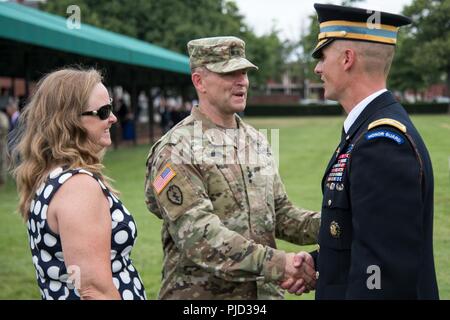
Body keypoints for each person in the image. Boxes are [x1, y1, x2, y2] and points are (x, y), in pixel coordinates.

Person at [144, 36, 321, 300]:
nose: (242, 81)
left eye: (244, 72)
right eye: (229, 73)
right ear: (199, 81)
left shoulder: (256, 140)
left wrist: (335, 223)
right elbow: (200, 237)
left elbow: (280, 214)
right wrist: (280, 264)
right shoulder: (177, 149)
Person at [310, 3, 439, 299]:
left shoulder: (381, 142)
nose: (317, 68)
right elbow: (362, 237)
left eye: (322, 56)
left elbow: (382, 275)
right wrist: (319, 263)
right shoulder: (365, 131)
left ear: (346, 59)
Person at [10, 68, 146, 300]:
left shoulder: (53, 177)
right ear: (69, 121)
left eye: (110, 107)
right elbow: (93, 290)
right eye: (103, 112)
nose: (112, 117)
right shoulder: (77, 186)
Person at [0, 106, 9, 187]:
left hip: (2, 142)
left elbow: (5, 127)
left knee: (3, 161)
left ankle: (2, 181)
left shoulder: (2, 117)